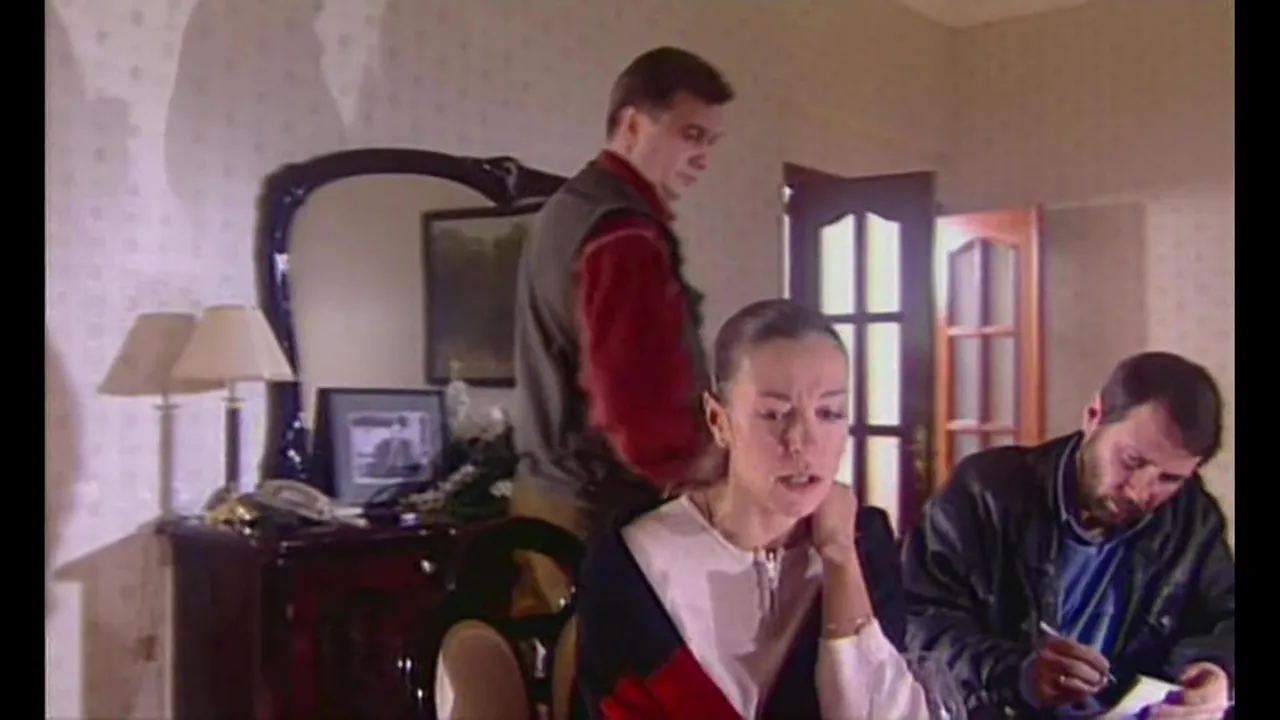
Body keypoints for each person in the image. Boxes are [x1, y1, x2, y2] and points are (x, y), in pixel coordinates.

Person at [576, 299, 933, 719]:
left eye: (829, 413)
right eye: (774, 414)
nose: (802, 440)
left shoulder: (863, 544)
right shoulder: (634, 562)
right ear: (718, 420)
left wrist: (840, 557)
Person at [510, 46, 735, 612]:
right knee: (610, 667)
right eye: (691, 135)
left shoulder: (569, 210)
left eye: (711, 142)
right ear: (633, 125)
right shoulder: (622, 235)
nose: (704, 157)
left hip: (551, 499)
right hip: (597, 511)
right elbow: (632, 396)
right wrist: (702, 468)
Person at [903, 351, 1234, 719]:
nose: (1139, 492)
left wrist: (1218, 669)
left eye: (1169, 478)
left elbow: (1227, 615)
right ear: (1094, 417)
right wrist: (1020, 674)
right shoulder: (985, 493)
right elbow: (920, 627)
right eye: (1131, 461)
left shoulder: (1190, 516)